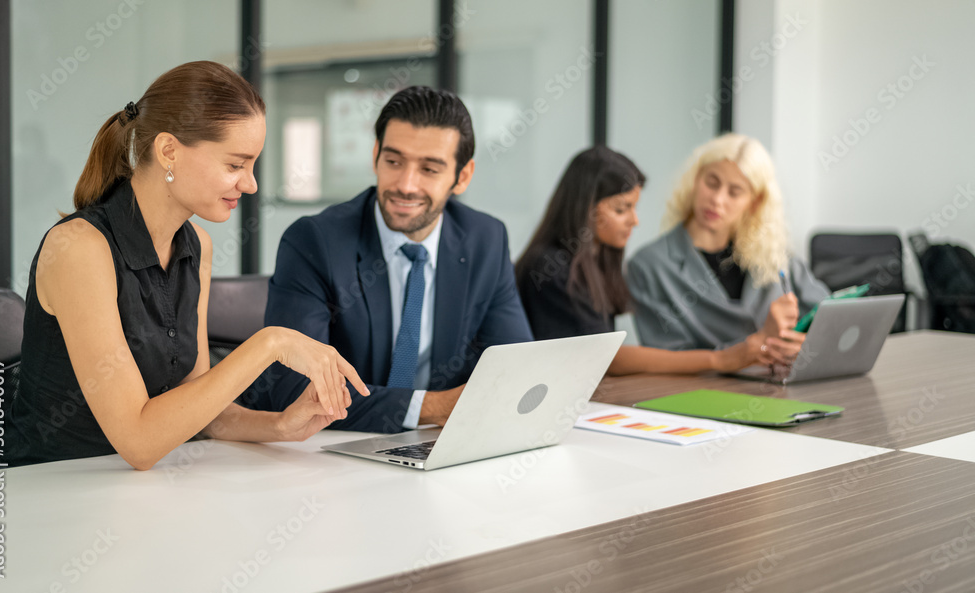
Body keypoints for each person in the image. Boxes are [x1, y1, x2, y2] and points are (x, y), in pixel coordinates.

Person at [8, 61, 368, 470]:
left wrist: (283, 425)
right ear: (168, 151)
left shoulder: (197, 246)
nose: (250, 184)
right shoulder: (79, 248)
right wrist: (271, 344)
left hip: (136, 491)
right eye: (235, 165)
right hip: (49, 490)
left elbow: (199, 403)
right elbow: (140, 442)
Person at [241, 85, 533, 433]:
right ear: (376, 154)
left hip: (438, 447)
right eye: (394, 162)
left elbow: (517, 369)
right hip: (330, 453)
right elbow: (295, 391)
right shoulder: (316, 242)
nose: (406, 185)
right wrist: (435, 407)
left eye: (429, 169)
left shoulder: (486, 239)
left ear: (463, 176)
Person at [516, 146, 796, 375]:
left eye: (634, 207)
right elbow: (606, 358)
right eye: (621, 209)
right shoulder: (551, 267)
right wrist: (721, 359)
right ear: (584, 208)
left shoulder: (599, 261)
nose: (635, 220)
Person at [626, 133, 830, 359]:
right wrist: (759, 344)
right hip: (706, 393)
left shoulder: (777, 256)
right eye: (711, 183)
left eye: (735, 192)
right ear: (695, 181)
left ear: (754, 202)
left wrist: (805, 344)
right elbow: (668, 360)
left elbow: (830, 319)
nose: (717, 199)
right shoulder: (649, 266)